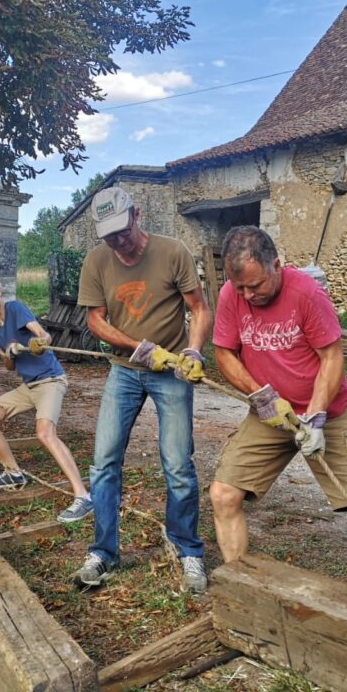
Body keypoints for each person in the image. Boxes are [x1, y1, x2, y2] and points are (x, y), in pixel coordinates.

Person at [209, 225, 347, 602]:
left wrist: (315, 417)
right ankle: (242, 597)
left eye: (256, 286)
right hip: (269, 415)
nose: (248, 296)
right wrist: (261, 396)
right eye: (241, 289)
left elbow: (331, 357)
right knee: (223, 495)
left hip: (326, 414)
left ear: (277, 265)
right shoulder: (232, 295)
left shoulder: (307, 293)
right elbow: (224, 353)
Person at [72, 187, 212, 594]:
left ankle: (188, 551)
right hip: (124, 370)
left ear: (136, 215)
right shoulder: (97, 262)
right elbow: (95, 321)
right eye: (108, 236)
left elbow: (199, 309)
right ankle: (103, 552)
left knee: (178, 466)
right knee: (103, 463)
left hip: (171, 374)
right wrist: (137, 348)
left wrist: (192, 351)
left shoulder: (173, 252)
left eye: (122, 231)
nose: (118, 242)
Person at [0, 274, 94, 523]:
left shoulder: (15, 309)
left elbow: (44, 336)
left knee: (45, 432)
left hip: (50, 380)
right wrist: (9, 352)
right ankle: (14, 473)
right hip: (28, 386)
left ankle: (83, 497)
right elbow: (8, 367)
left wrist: (36, 343)